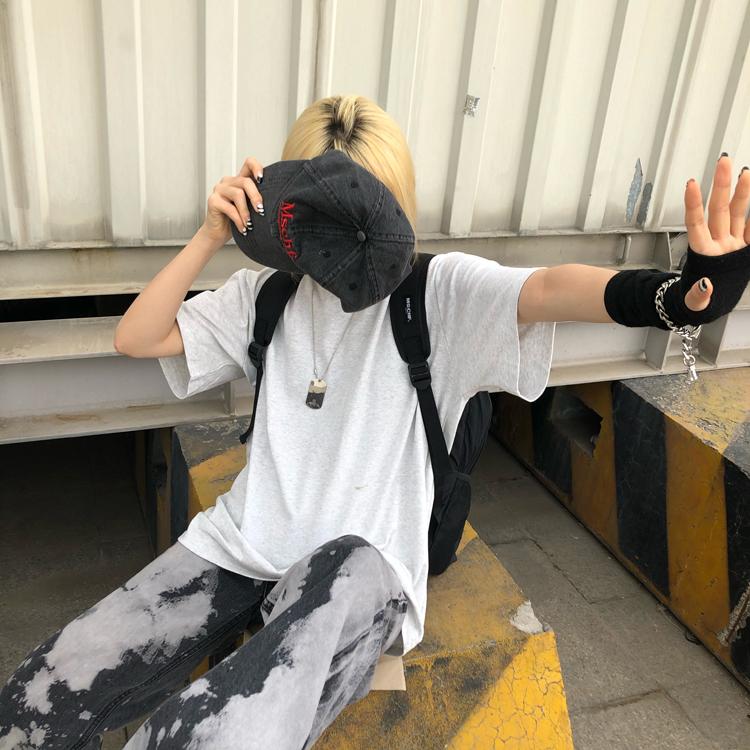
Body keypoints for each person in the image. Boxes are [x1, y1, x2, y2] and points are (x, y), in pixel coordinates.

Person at [1, 94, 748, 750]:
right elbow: (136, 338)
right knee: (54, 679)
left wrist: (677, 297)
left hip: (362, 571)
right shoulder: (266, 296)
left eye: (365, 206)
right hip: (243, 544)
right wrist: (208, 238)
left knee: (222, 727)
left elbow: (552, 287)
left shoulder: (438, 295)